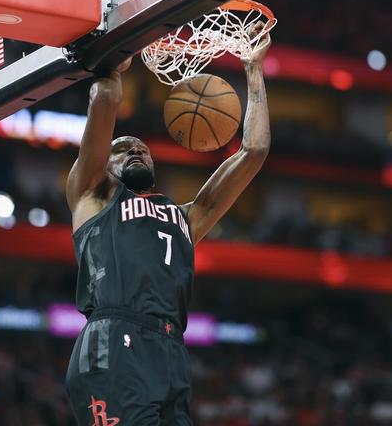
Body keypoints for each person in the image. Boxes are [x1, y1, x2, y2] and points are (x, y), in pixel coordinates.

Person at [64, 22, 271, 425]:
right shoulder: (91, 195)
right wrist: (115, 58)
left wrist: (253, 69)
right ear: (103, 163)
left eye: (142, 149)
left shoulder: (186, 217)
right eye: (122, 150)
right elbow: (104, 96)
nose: (135, 151)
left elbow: (255, 150)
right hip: (113, 340)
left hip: (170, 349)